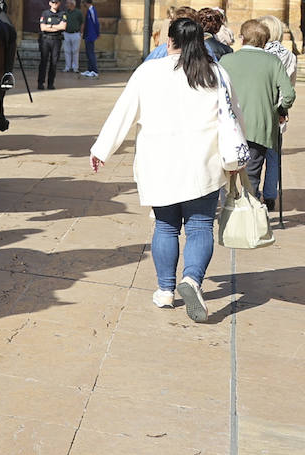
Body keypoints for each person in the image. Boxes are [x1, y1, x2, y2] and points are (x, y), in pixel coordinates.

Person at [90, 17, 250, 323]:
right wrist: (237, 157)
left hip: (159, 162)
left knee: (166, 227)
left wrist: (102, 149)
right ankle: (191, 280)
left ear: (169, 42)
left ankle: (165, 291)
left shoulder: (148, 71)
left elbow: (123, 112)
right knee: (200, 227)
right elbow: (234, 115)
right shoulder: (215, 71)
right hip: (204, 163)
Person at [220, 19, 296, 211]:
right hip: (259, 125)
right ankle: (250, 212)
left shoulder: (227, 60)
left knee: (226, 172)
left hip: (229, 125)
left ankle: (226, 211)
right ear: (265, 40)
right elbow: (288, 94)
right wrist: (280, 110)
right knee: (252, 173)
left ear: (242, 38)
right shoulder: (273, 61)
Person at [37, 0, 65, 89]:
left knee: (54, 63)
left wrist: (50, 26)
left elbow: (63, 27)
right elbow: (42, 28)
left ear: (59, 3)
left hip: (56, 40)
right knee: (43, 62)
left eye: (56, 2)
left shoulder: (62, 14)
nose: (54, 4)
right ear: (49, 3)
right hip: (45, 40)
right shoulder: (45, 13)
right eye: (53, 2)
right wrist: (56, 26)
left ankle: (50, 84)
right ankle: (40, 83)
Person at [62, 0, 83, 74]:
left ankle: (75, 68)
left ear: (72, 4)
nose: (66, 4)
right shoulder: (65, 13)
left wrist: (81, 33)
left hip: (75, 34)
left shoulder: (78, 12)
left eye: (67, 3)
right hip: (66, 33)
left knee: (75, 51)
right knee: (67, 51)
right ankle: (67, 67)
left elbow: (82, 23)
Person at [82, 0, 100, 77]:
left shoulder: (92, 10)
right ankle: (90, 69)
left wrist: (97, 33)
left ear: (86, 2)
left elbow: (96, 22)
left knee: (91, 53)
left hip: (91, 35)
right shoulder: (89, 10)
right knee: (88, 53)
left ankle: (94, 70)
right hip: (88, 35)